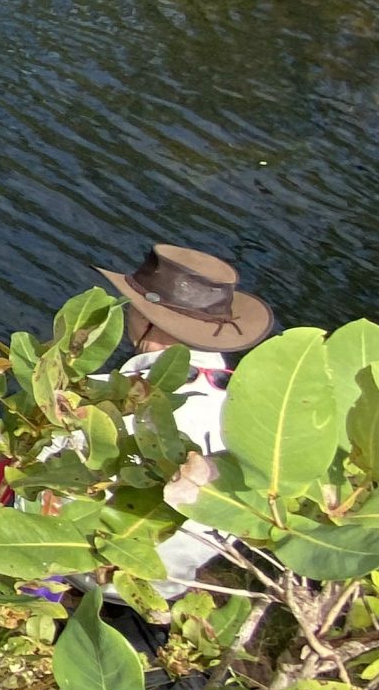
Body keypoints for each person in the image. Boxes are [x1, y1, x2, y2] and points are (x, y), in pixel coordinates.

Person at [94, 243, 275, 585]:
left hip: (88, 572)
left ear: (147, 319)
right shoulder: (253, 419)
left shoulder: (107, 399)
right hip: (166, 588)